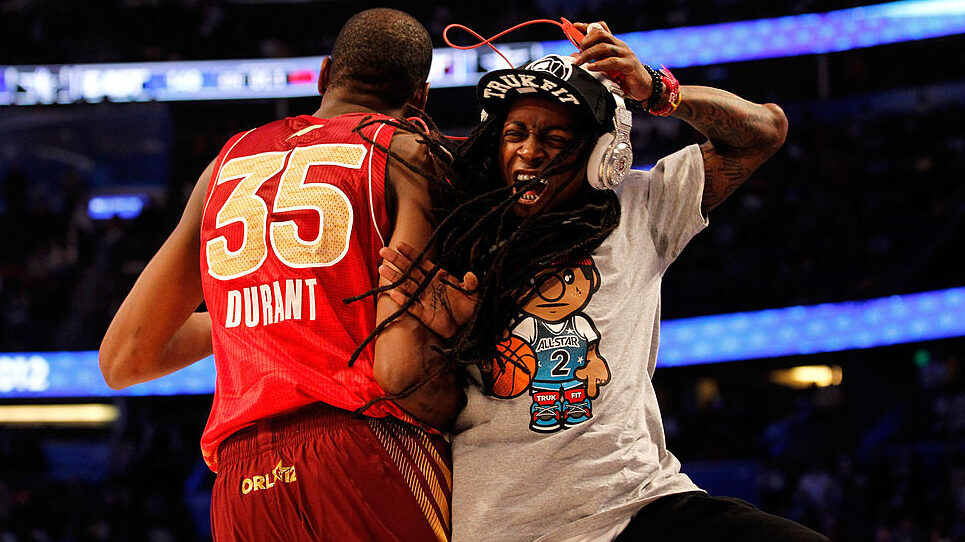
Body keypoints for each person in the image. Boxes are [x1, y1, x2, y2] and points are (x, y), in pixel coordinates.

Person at [378, 21, 829, 542]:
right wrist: (456, 337)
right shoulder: (461, 237)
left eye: (554, 138)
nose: (529, 151)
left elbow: (765, 132)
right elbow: (427, 399)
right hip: (510, 528)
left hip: (639, 504)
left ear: (601, 157)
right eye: (515, 134)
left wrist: (658, 91)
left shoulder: (640, 207)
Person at [99, 8, 462, 542]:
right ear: (422, 99)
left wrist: (264, 315)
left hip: (244, 482)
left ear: (322, 74)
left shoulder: (226, 162)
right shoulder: (408, 152)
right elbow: (399, 370)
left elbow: (125, 358)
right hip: (366, 446)